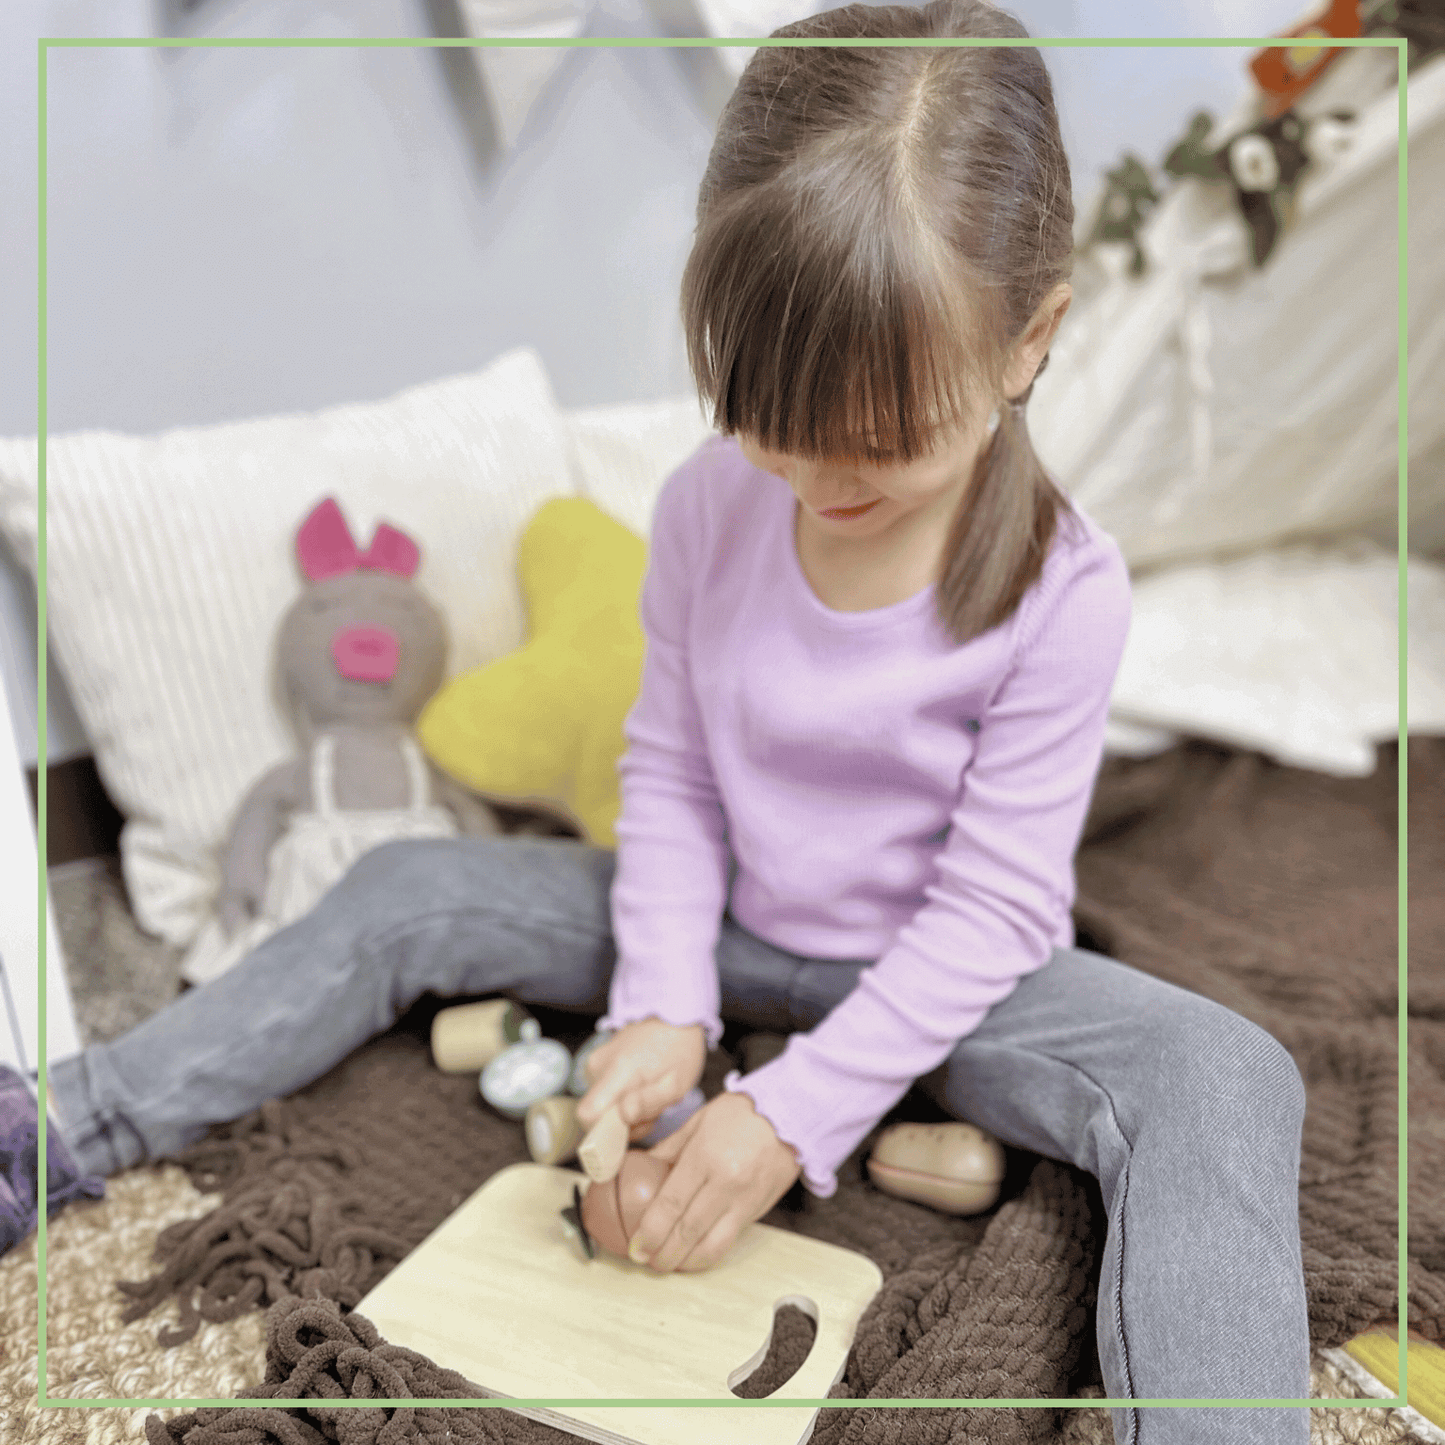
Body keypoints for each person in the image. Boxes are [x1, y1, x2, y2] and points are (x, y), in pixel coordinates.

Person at [37, 3, 1311, 1440]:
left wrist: (790, 1116)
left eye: (883, 446)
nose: (819, 481)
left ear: (1032, 342)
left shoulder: (1063, 592)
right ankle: (66, 1119)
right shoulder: (712, 504)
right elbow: (676, 772)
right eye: (773, 418)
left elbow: (994, 910)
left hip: (940, 980)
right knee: (409, 888)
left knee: (1227, 1074)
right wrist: (657, 999)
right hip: (726, 923)